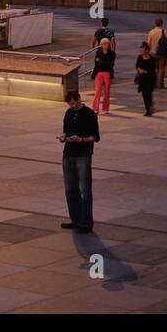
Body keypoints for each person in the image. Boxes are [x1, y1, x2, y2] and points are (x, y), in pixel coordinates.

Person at [59, 89, 99, 233]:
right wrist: (64, 137)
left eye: (74, 104)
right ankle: (75, 220)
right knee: (70, 189)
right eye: (70, 104)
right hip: (68, 153)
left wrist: (81, 139)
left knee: (85, 190)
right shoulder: (69, 113)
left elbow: (95, 137)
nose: (72, 106)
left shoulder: (89, 114)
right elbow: (66, 130)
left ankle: (86, 223)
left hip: (83, 154)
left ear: (79, 99)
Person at [90, 38, 115, 115]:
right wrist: (102, 62)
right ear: (101, 45)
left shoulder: (112, 54)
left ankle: (105, 108)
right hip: (99, 73)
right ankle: (95, 108)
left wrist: (101, 62)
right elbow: (97, 63)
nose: (105, 45)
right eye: (104, 44)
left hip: (107, 73)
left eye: (107, 44)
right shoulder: (99, 53)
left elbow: (110, 64)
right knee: (98, 91)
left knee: (106, 92)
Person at [146, 18, 167, 89]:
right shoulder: (164, 31)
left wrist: (147, 52)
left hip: (153, 53)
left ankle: (154, 83)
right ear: (161, 23)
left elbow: (149, 43)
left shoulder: (151, 32)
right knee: (161, 69)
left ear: (155, 23)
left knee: (155, 68)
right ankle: (160, 84)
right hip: (162, 53)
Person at [135, 41, 157, 116]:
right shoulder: (140, 57)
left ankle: (149, 107)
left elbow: (153, 70)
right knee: (144, 94)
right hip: (142, 79)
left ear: (147, 50)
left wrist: (146, 71)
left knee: (149, 94)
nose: (141, 50)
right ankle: (147, 108)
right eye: (141, 49)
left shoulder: (152, 59)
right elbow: (137, 66)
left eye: (143, 49)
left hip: (149, 78)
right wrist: (139, 70)